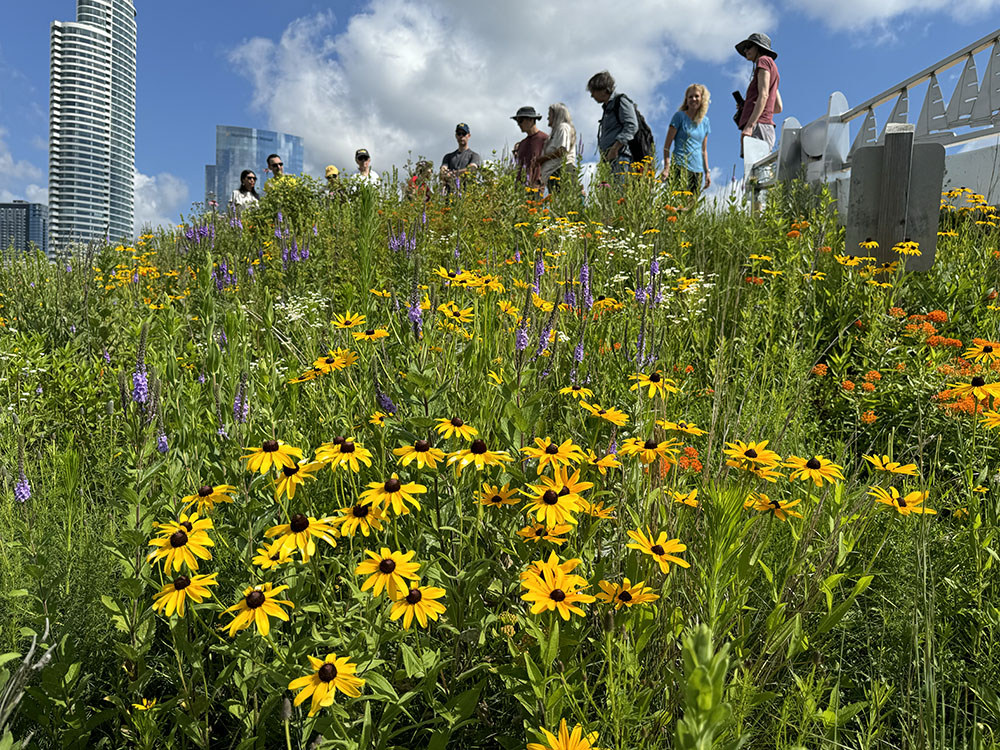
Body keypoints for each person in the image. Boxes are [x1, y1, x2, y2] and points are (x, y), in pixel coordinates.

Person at [659, 84, 711, 194]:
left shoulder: (705, 122)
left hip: (697, 170)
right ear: (686, 100)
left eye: (696, 96)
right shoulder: (679, 117)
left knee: (691, 208)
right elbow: (667, 147)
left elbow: (704, 150)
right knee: (677, 205)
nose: (693, 99)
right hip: (680, 165)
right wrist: (667, 168)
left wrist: (707, 173)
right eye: (690, 97)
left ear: (702, 98)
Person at [736, 33, 782, 154]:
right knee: (761, 170)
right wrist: (747, 106)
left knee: (756, 169)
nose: (746, 50)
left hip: (758, 126)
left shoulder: (763, 61)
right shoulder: (772, 69)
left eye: (749, 46)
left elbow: (764, 95)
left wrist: (750, 125)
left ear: (759, 47)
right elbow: (777, 107)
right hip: (766, 127)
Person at [587, 71, 637, 175]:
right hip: (609, 159)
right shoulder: (608, 107)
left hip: (620, 157)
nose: (592, 95)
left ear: (603, 89)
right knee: (608, 190)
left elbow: (631, 125)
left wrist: (615, 148)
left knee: (619, 190)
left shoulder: (621, 101)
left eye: (593, 91)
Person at [536, 103, 577, 194]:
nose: (547, 118)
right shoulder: (555, 132)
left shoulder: (563, 128)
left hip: (561, 172)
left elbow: (562, 151)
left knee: (565, 205)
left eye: (549, 115)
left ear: (557, 115)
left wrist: (541, 159)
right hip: (555, 174)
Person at [511, 106, 548, 188]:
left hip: (537, 188)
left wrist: (541, 182)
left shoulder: (544, 139)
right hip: (521, 190)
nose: (518, 124)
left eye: (520, 121)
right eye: (517, 121)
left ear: (531, 119)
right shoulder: (522, 144)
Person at [440, 123, 481, 191]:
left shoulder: (474, 155)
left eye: (464, 134)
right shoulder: (448, 157)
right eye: (459, 134)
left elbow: (472, 169)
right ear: (456, 136)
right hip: (450, 195)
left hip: (467, 194)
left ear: (468, 135)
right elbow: (442, 172)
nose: (461, 136)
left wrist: (453, 173)